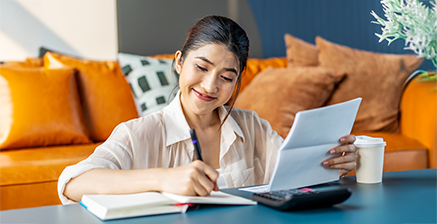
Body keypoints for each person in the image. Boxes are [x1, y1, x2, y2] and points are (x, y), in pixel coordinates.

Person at [58, 15, 357, 204]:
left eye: (227, 77)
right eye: (201, 67)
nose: (210, 86)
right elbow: (73, 183)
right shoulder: (140, 133)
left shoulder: (252, 127)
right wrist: (163, 179)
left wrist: (332, 161)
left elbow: (293, 175)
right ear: (179, 62)